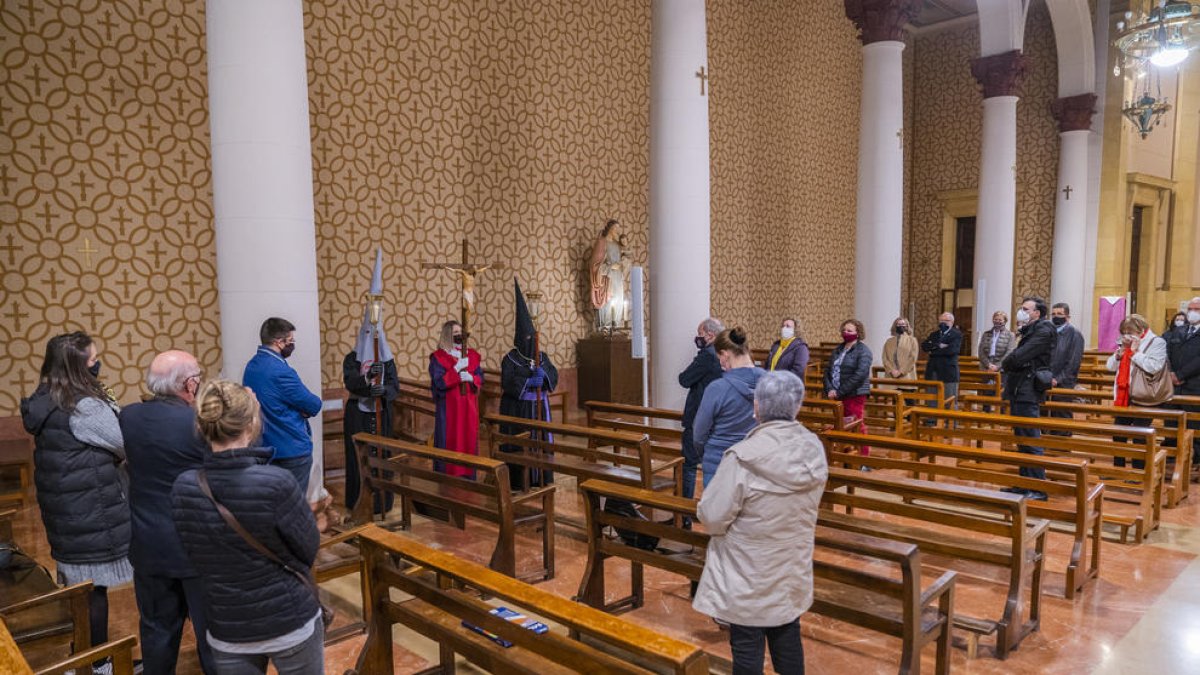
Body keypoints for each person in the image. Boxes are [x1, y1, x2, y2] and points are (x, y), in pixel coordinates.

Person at [172, 380, 323, 674]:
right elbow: (308, 550)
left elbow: (194, 551)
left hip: (227, 621)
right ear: (253, 423)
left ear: (202, 427)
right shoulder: (276, 482)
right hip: (287, 617)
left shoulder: (184, 487)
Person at [693, 371, 827, 675]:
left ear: (757, 407)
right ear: (797, 406)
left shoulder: (743, 458)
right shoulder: (813, 449)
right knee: (787, 632)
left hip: (747, 571)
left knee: (747, 644)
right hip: (791, 562)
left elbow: (712, 516)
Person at [20, 332, 133, 675]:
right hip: (92, 513)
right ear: (78, 366)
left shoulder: (46, 398)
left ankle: (81, 657)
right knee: (94, 591)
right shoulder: (83, 406)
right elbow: (123, 443)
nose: (97, 364)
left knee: (82, 591)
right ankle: (97, 665)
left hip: (67, 512)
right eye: (92, 359)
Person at [119, 350, 215, 674]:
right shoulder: (199, 424)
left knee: (157, 630)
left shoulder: (128, 417)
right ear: (190, 384)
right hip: (196, 546)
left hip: (148, 542)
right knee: (211, 634)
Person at [243, 317, 323, 495]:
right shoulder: (280, 371)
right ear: (279, 342)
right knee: (293, 505)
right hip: (289, 449)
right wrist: (300, 409)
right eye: (291, 341)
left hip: (263, 447)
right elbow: (313, 404)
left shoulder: (252, 365)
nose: (292, 345)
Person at [499, 279, 559, 490]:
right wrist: (527, 380)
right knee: (521, 445)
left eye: (532, 337)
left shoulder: (541, 356)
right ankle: (520, 481)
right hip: (521, 411)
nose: (530, 341)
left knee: (542, 443)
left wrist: (544, 376)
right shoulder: (510, 358)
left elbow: (554, 375)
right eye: (527, 338)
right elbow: (507, 382)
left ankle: (543, 478)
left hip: (541, 408)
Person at [1000, 296, 1057, 500]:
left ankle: (1037, 488)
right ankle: (1025, 484)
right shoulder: (1031, 329)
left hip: (1028, 389)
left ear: (1037, 313)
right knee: (1022, 439)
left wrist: (1006, 362)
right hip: (1019, 387)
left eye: (1026, 309)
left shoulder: (1043, 330)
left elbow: (1020, 356)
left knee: (1031, 440)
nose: (1021, 311)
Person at [693, 327, 766, 486]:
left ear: (725, 354)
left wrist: (705, 454)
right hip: (755, 460)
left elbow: (699, 433)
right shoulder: (769, 381)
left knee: (716, 510)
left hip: (719, 461)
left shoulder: (717, 388)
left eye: (719, 357)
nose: (720, 362)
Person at [342, 318, 399, 514]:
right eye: (367, 335)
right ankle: (358, 499)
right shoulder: (351, 358)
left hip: (381, 413)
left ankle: (383, 501)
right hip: (358, 414)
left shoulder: (387, 359)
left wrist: (384, 390)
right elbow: (350, 381)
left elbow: (395, 386)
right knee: (358, 456)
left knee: (382, 454)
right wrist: (366, 379)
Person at [1107, 314, 1169, 469]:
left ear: (1141, 329)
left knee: (1140, 434)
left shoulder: (1157, 342)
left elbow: (1154, 367)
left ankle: (1139, 470)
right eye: (1124, 333)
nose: (1127, 336)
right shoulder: (1125, 343)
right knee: (1118, 433)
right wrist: (1118, 355)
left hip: (1146, 394)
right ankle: (1118, 468)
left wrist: (1135, 353)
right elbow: (1110, 367)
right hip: (1125, 393)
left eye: (1131, 332)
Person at [678, 317, 725, 501]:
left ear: (710, 335)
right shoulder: (724, 352)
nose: (698, 338)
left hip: (699, 416)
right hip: (717, 416)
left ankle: (685, 512)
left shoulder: (708, 355)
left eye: (700, 334)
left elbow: (684, 379)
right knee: (714, 463)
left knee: (689, 464)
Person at [429, 320, 484, 476]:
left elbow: (480, 377)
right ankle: (448, 480)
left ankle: (468, 478)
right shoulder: (438, 358)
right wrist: (456, 369)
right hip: (449, 411)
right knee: (450, 444)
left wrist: (472, 378)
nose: (459, 336)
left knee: (468, 442)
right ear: (447, 335)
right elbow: (438, 382)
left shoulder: (472, 355)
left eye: (460, 332)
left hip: (469, 409)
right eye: (455, 333)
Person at [824, 320, 873, 459]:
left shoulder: (863, 351)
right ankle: (845, 454)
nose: (846, 333)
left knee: (856, 424)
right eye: (844, 330)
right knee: (841, 424)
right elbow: (828, 370)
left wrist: (839, 391)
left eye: (850, 331)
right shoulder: (839, 349)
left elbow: (860, 374)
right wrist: (829, 389)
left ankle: (864, 457)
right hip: (837, 393)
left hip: (854, 393)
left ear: (858, 333)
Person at [1167, 297, 1200, 465]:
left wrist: (1180, 375)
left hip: (1194, 387)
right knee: (1171, 425)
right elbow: (1169, 352)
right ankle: (1171, 459)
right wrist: (1172, 372)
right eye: (1191, 308)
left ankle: (1196, 462)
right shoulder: (1179, 331)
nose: (1193, 312)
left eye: (1197, 309)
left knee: (1195, 427)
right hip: (1174, 387)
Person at [1046, 302, 1086, 428]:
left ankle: (1062, 446)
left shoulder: (1075, 334)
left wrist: (1057, 379)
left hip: (1064, 382)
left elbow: (1073, 362)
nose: (1056, 316)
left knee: (1061, 416)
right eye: (1053, 314)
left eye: (1060, 314)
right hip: (1046, 379)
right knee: (1044, 415)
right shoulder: (1049, 332)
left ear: (1067, 317)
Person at [589, 219, 630, 329]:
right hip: (607, 279)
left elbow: (626, 259)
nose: (617, 231)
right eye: (615, 228)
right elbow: (594, 264)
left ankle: (615, 326)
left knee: (618, 302)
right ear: (610, 229)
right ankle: (605, 327)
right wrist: (610, 267)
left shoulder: (617, 245)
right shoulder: (602, 242)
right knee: (609, 302)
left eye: (618, 228)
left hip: (617, 279)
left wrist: (624, 261)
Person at [922, 312, 962, 405]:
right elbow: (924, 346)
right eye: (941, 320)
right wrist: (939, 346)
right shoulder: (934, 334)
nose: (943, 323)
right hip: (933, 370)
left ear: (952, 322)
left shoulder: (956, 334)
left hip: (948, 371)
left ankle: (950, 419)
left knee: (949, 400)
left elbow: (952, 350)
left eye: (946, 321)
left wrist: (933, 349)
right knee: (931, 399)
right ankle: (931, 419)